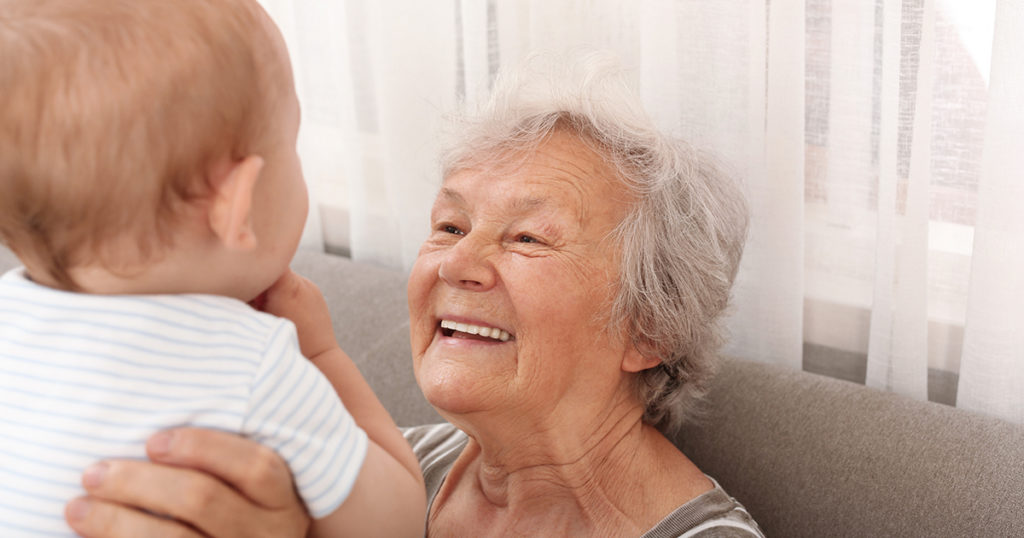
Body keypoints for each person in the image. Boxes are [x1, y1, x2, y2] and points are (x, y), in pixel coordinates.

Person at [60, 52, 764, 536]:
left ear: (650, 328)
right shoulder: (392, 468)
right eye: (449, 224)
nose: (458, 261)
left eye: (526, 239)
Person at [0, 1, 425, 537]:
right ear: (238, 205)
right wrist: (321, 353)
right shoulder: (253, 365)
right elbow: (397, 520)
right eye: (292, 143)